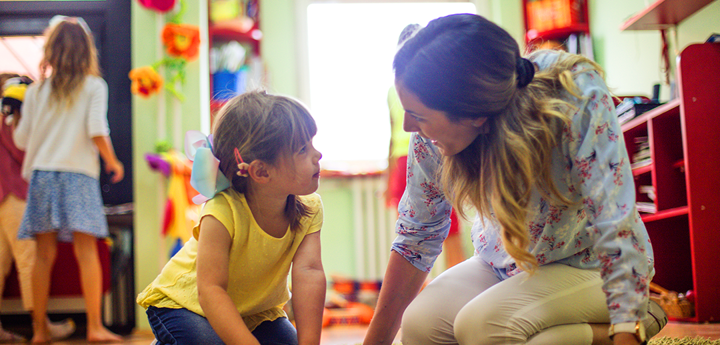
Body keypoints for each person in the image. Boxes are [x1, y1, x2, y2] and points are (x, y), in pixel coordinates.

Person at [364, 14, 667, 345]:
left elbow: (614, 219)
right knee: (421, 325)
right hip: (504, 264)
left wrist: (626, 328)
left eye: (419, 115)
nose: (408, 126)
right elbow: (415, 237)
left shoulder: (574, 91)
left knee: (483, 327)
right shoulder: (429, 131)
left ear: (475, 114)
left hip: (588, 265)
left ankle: (639, 318)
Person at [137, 90, 326, 345]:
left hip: (253, 312)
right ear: (261, 171)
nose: (318, 155)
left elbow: (309, 271)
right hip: (185, 304)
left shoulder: (309, 208)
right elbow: (210, 291)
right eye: (303, 149)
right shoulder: (222, 210)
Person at [12, 17, 124, 343]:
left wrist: (16, 114)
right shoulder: (93, 87)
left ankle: (38, 331)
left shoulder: (35, 91)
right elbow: (97, 130)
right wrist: (113, 162)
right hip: (78, 175)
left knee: (43, 256)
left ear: (52, 48)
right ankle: (94, 327)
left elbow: (21, 140)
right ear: (86, 50)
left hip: (43, 175)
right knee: (86, 252)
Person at [1, 73, 77, 343]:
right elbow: (23, 151)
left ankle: (36, 326)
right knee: (28, 260)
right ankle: (40, 326)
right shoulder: (11, 119)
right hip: (13, 196)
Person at [385, 25, 465, 270]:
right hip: (403, 159)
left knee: (446, 227)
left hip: (430, 152)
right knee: (412, 229)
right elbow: (392, 134)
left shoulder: (437, 87)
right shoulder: (393, 91)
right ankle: (421, 288)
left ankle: (447, 280)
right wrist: (388, 180)